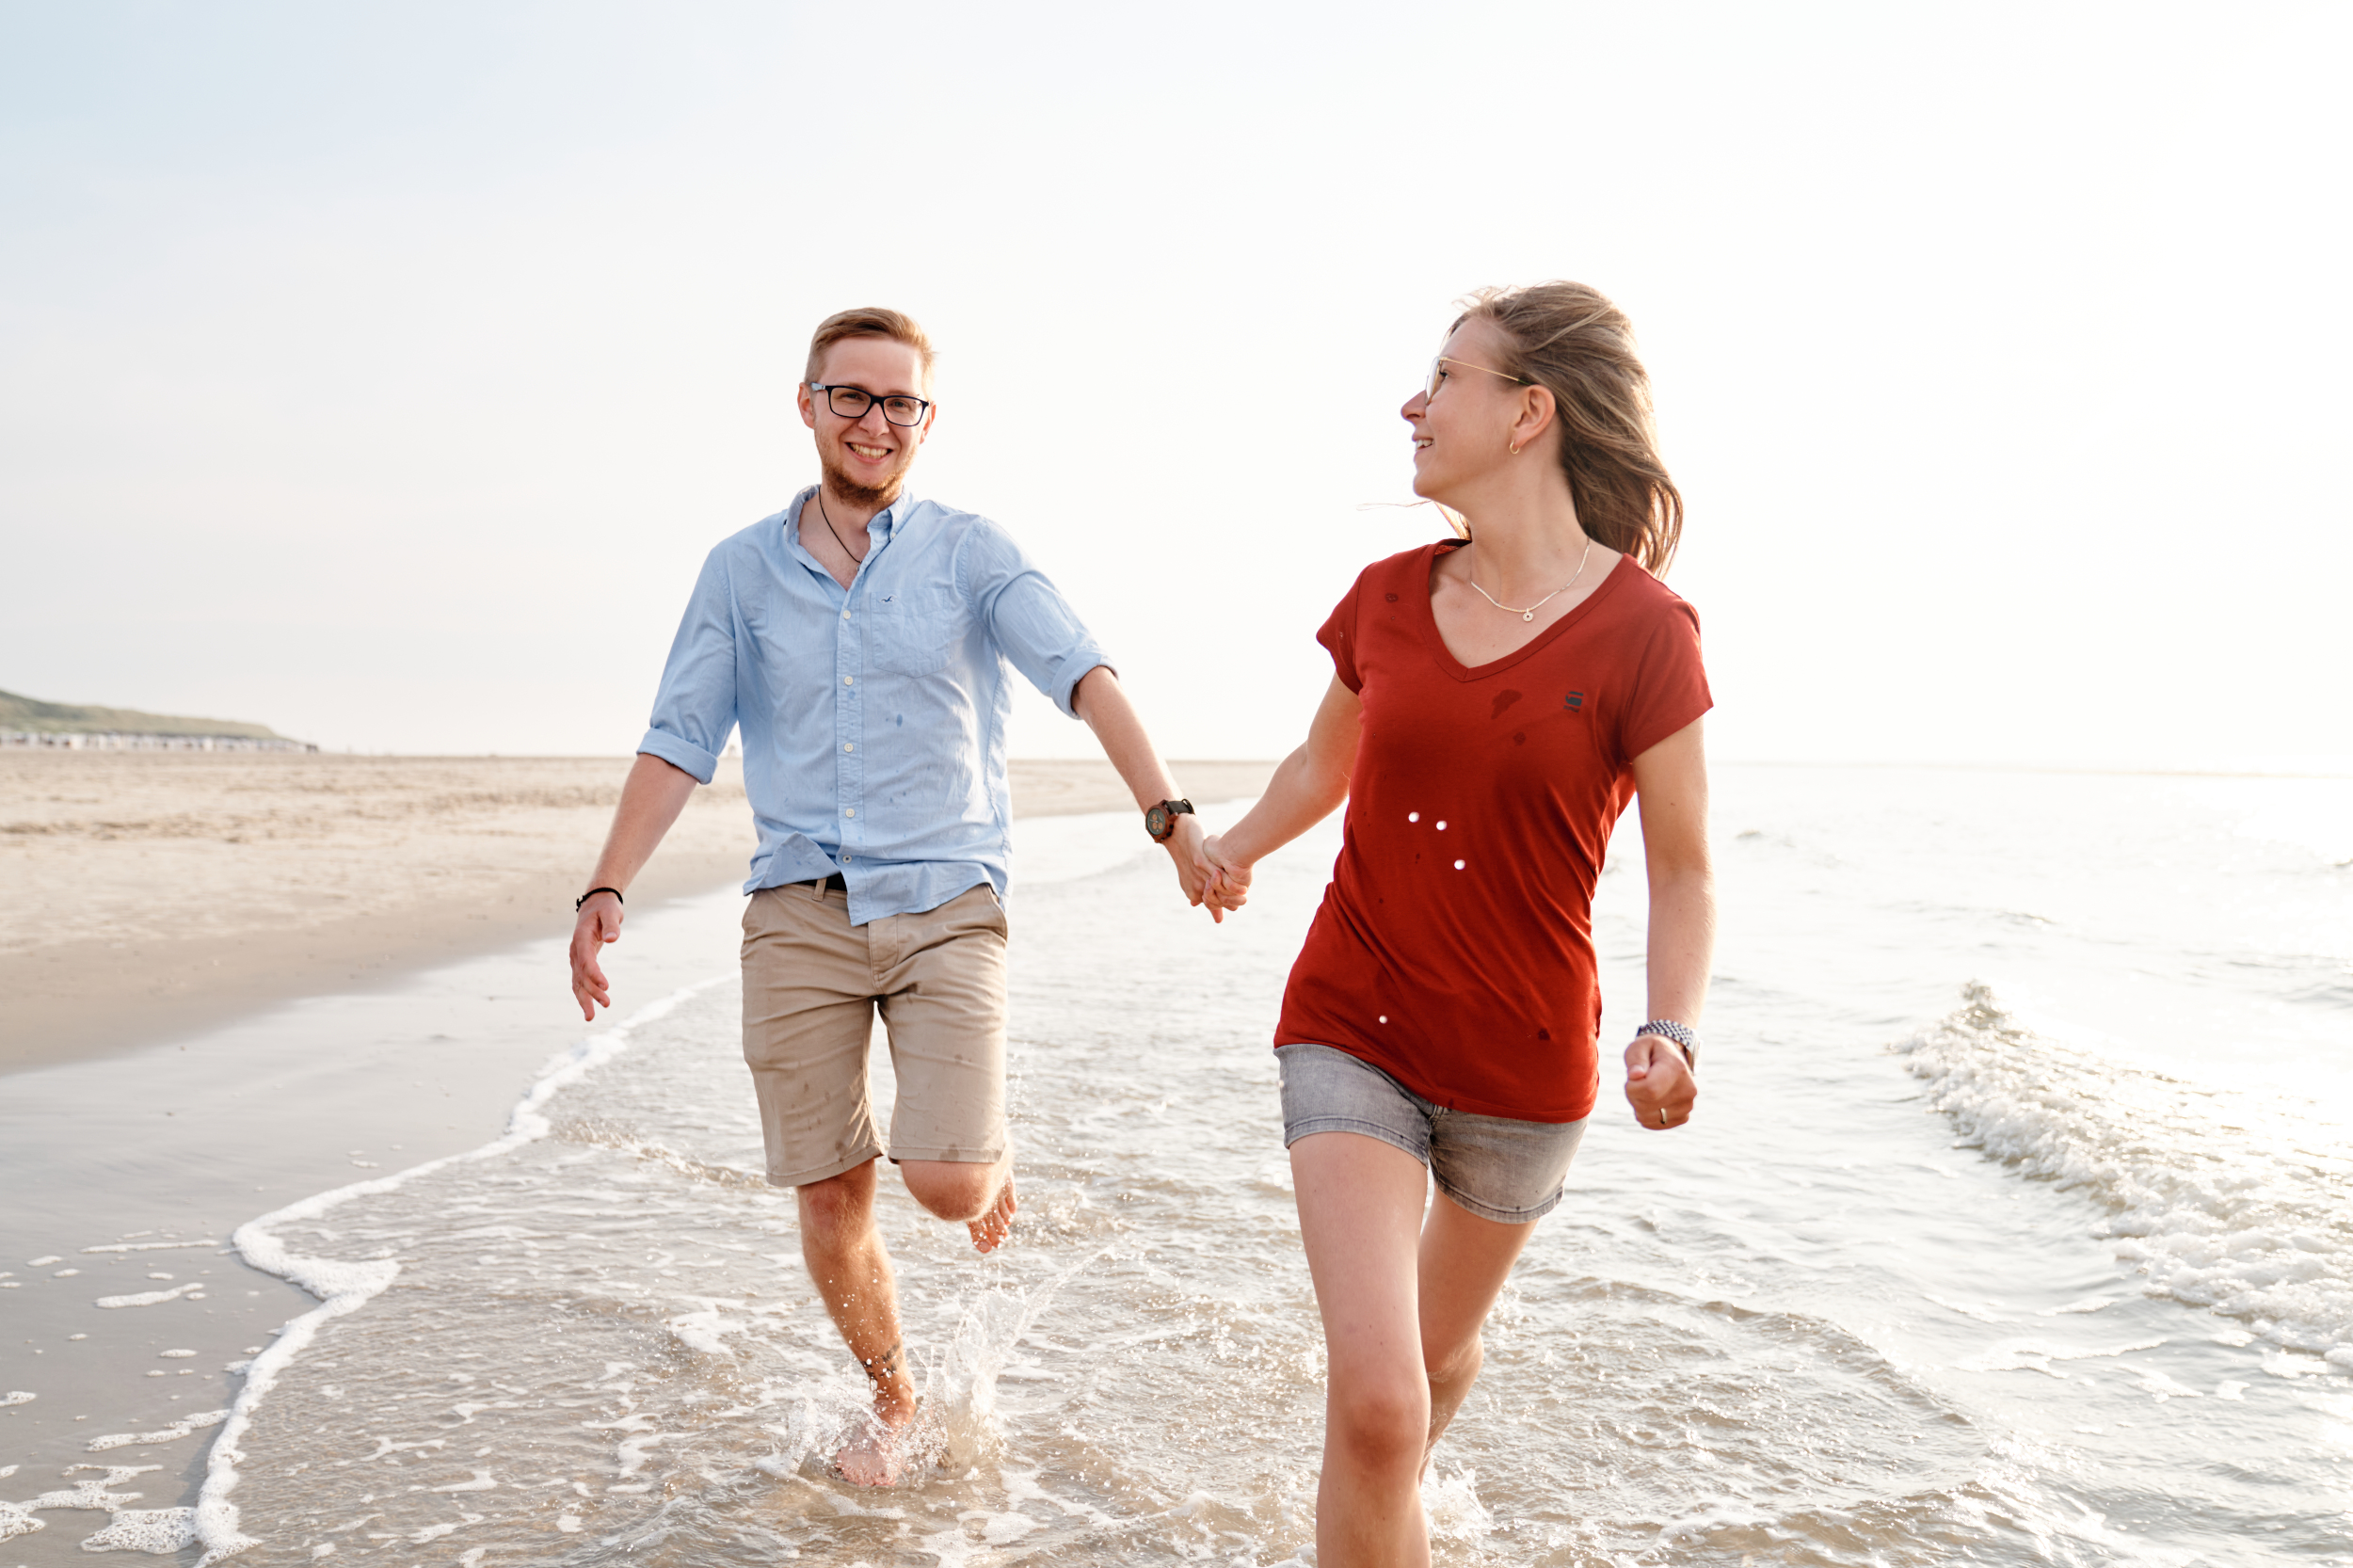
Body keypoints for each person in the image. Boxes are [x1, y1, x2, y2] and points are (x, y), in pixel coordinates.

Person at [567, 306, 1214, 1486]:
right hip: (798, 908)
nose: (876, 421)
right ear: (807, 405)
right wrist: (609, 881)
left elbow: (1086, 675)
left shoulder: (971, 551)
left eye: (899, 402)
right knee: (828, 1194)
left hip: (946, 899)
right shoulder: (739, 571)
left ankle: (978, 1144)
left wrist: (1169, 821)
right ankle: (895, 1394)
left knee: (949, 1182)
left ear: (926, 419)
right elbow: (679, 739)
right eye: (852, 397)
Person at [1200, 281, 1713, 1565]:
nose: (1413, 404)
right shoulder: (1384, 597)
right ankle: (1384, 1482)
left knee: (1425, 1366)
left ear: (1531, 410)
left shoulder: (1647, 632)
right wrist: (1232, 850)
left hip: (1525, 1067)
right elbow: (1324, 767)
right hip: (1351, 1020)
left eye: (1448, 377)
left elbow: (1686, 866)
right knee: (1377, 1406)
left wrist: (1672, 1028)